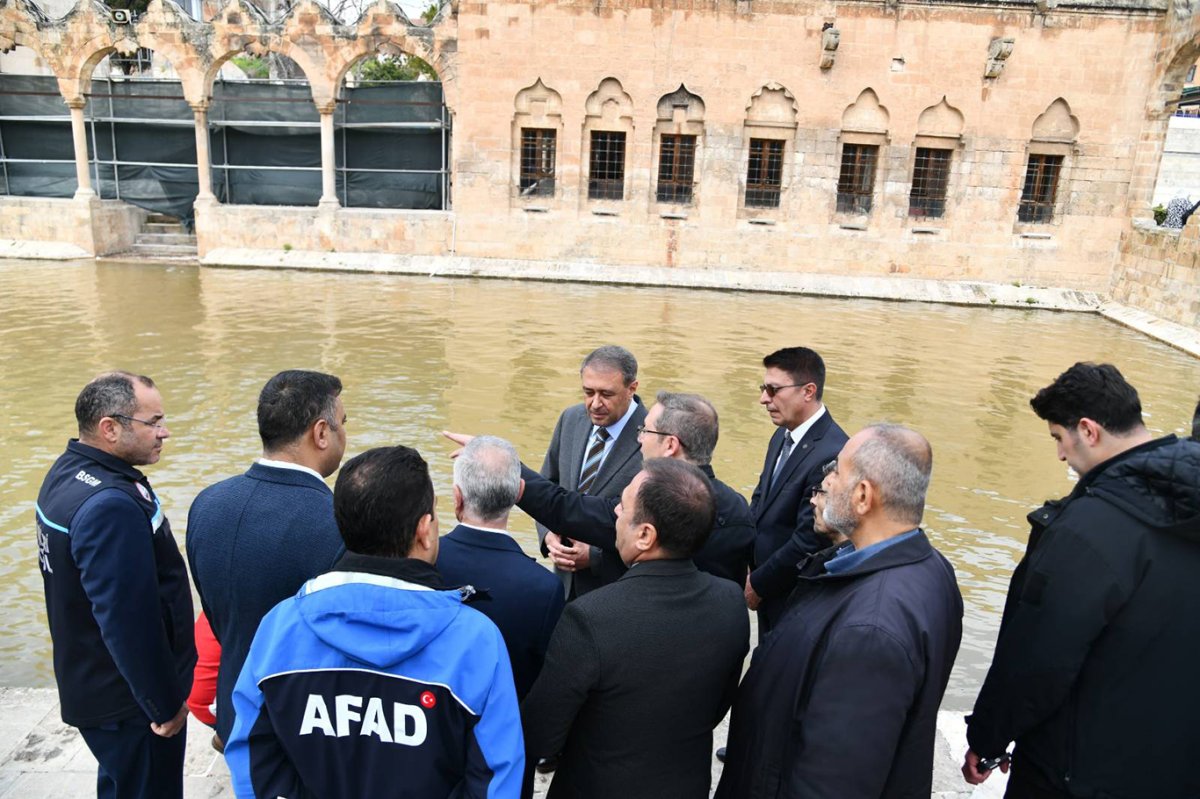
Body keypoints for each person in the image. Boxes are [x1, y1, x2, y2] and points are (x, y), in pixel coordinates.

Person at [225, 446, 524, 798]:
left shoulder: (280, 627)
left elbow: (252, 755)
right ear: (425, 530)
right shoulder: (476, 641)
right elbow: (495, 776)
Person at [963, 363, 1200, 799]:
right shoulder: (1187, 500)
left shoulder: (1089, 528)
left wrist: (988, 737)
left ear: (1088, 431)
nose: (1060, 455)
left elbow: (1039, 657)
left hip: (1075, 771)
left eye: (1058, 438)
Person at [716, 424, 963, 798]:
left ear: (863, 496)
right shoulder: (931, 568)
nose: (825, 484)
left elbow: (834, 781)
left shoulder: (871, 628)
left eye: (835, 473)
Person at [523, 458, 749, 799]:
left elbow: (540, 734)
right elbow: (720, 703)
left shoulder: (590, 617)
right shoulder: (731, 602)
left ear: (645, 535)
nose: (614, 512)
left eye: (623, 506)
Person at [35, 371, 195, 799]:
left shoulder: (69, 470)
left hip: (94, 682)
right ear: (110, 428)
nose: (165, 431)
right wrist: (164, 704)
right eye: (154, 421)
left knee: (123, 784)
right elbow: (128, 622)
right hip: (131, 703)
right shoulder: (110, 505)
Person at [186, 369, 347, 747]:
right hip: (304, 723)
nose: (344, 434)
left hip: (234, 708)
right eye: (342, 423)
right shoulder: (338, 520)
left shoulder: (206, 503)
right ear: (321, 433)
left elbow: (216, 615)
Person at [435, 435, 566, 798]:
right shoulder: (543, 587)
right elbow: (545, 687)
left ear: (457, 497)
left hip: (426, 739)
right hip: (503, 750)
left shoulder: (425, 563)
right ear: (517, 494)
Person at [513, 391, 755, 586]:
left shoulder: (648, 503)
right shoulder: (738, 507)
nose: (639, 439)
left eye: (645, 431)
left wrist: (503, 464)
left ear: (670, 444)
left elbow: (565, 507)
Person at [744, 346, 848, 634]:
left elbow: (810, 539)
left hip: (792, 593)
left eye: (773, 390)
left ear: (808, 391)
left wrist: (759, 584)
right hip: (765, 580)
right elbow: (760, 498)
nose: (764, 399)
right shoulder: (782, 434)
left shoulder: (832, 451)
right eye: (763, 388)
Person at [539, 345, 647, 598]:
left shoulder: (655, 436)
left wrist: (596, 557)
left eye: (606, 394)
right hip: (563, 583)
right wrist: (548, 536)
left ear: (632, 388)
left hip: (617, 590)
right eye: (588, 392)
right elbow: (548, 483)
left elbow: (657, 525)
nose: (595, 404)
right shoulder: (571, 418)